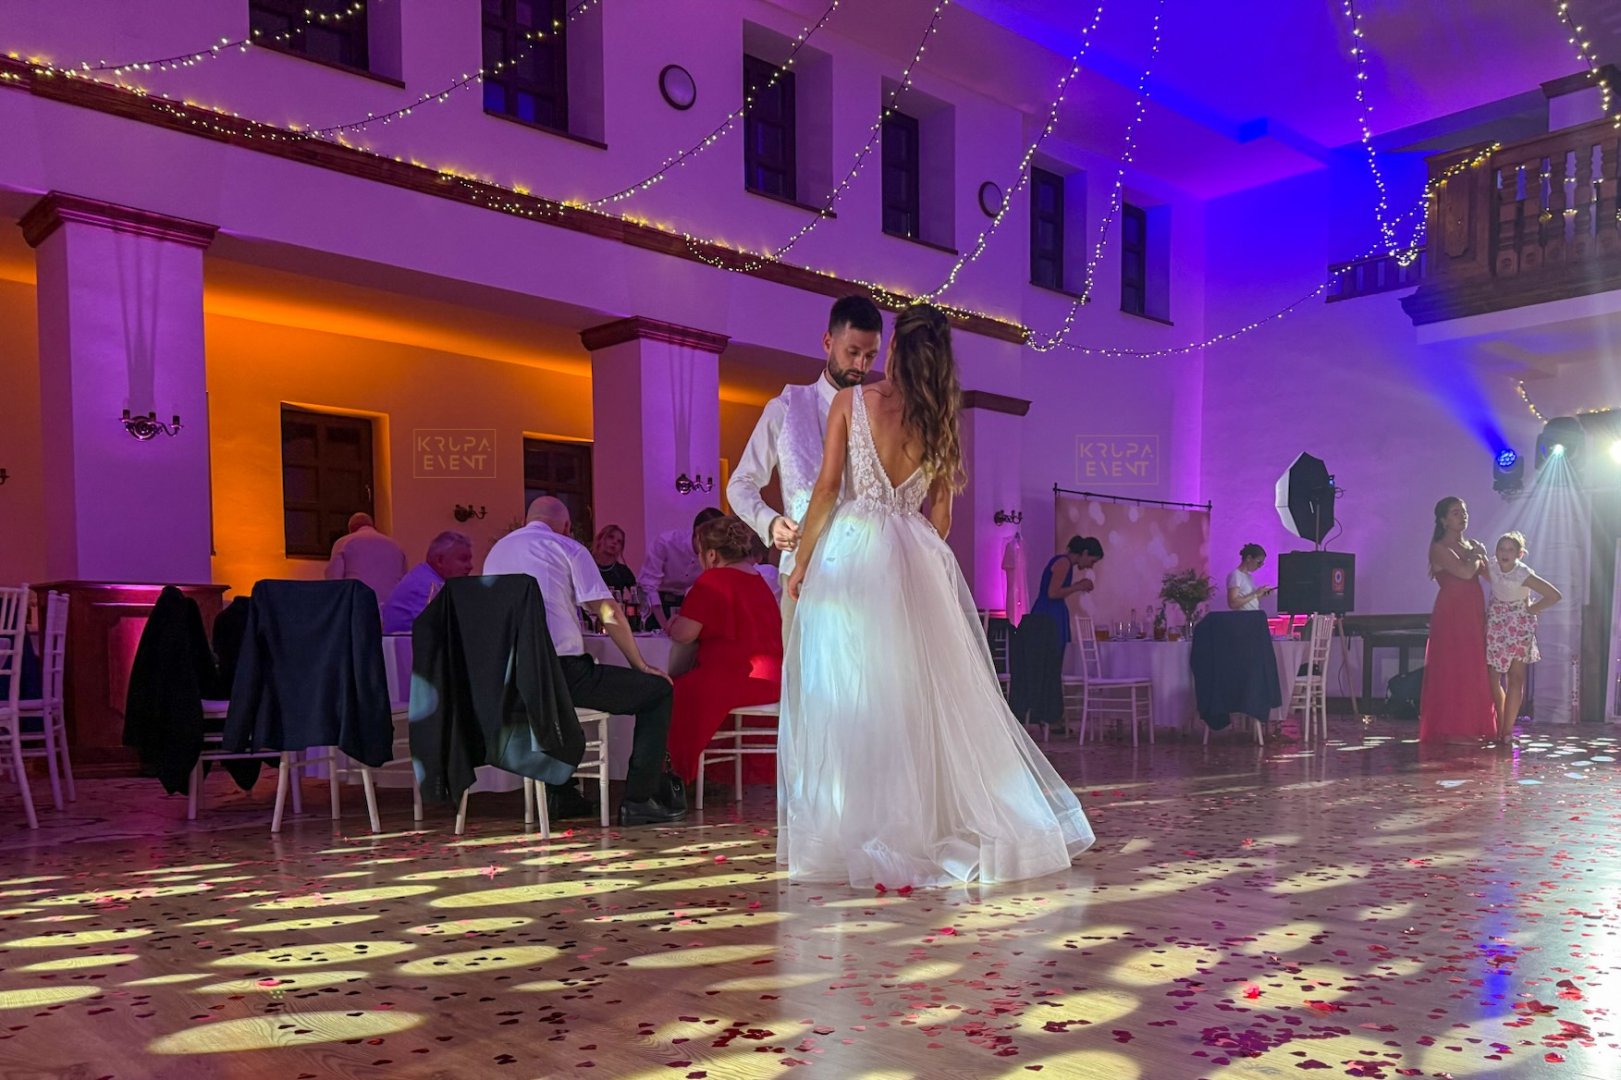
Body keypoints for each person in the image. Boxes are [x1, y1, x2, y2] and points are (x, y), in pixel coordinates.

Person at [780, 303, 1094, 887]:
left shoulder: (851, 402)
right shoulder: (941, 419)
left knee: (852, 693)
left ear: (894, 346)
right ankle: (923, 818)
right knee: (917, 693)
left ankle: (858, 824)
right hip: (914, 554)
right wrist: (912, 550)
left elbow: (826, 490)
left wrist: (802, 563)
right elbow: (942, 519)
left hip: (851, 556)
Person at [484, 496, 683, 825]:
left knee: (556, 702)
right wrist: (640, 664)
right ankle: (639, 800)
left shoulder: (496, 553)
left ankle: (561, 793)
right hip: (560, 672)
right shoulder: (567, 547)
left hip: (510, 680)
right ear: (566, 527)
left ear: (526, 520)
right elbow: (607, 611)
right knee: (658, 691)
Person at [728, 294, 884, 621]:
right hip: (802, 572)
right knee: (800, 656)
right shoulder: (786, 408)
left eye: (870, 356)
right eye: (852, 352)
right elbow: (740, 483)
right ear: (828, 342)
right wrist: (770, 522)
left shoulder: (877, 414)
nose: (861, 366)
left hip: (865, 574)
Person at [665, 516, 784, 784]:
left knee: (668, 692)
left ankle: (677, 774)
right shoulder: (758, 579)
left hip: (736, 679)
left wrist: (672, 624)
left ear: (711, 554)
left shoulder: (713, 580)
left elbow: (685, 634)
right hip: (773, 680)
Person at [1418, 496, 1497, 743]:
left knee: (1474, 665)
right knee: (1455, 667)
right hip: (1452, 613)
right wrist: (1475, 555)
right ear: (1443, 520)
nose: (1462, 516)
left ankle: (1475, 726)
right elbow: (1464, 572)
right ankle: (1453, 729)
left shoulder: (1471, 546)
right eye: (1455, 513)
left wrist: (1485, 557)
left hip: (1472, 611)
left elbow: (1489, 576)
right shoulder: (1439, 547)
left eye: (1464, 512)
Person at [1484, 531, 1561, 743]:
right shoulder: (1492, 565)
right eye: (1501, 549)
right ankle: (1501, 722)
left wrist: (1532, 609)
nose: (1505, 553)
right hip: (1498, 623)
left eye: (1510, 550)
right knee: (1493, 675)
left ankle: (1507, 731)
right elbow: (1485, 573)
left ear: (1519, 554)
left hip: (1518, 625)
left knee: (1515, 677)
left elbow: (1554, 595)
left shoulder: (1522, 573)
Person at [638, 507, 725, 627]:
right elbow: (648, 586)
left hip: (681, 604)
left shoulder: (714, 554)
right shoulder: (666, 543)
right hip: (655, 605)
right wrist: (664, 625)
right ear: (698, 531)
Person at [381, 531, 474, 633]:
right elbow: (440, 630)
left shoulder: (423, 576)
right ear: (440, 560)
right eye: (463, 559)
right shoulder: (428, 586)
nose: (470, 566)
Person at [324, 513, 408, 603]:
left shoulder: (343, 542)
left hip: (358, 602)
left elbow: (334, 581)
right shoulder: (397, 547)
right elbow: (404, 582)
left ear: (351, 529)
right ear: (373, 526)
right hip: (389, 605)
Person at [1227, 544, 1275, 611]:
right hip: (1243, 616)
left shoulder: (1249, 577)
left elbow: (1248, 602)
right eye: (1259, 562)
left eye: (1262, 564)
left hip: (1253, 613)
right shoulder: (1236, 575)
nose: (1260, 566)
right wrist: (1255, 594)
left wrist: (1259, 594)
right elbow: (1233, 603)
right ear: (1248, 558)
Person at [591, 524, 637, 591]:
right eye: (611, 537)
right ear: (600, 538)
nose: (615, 542)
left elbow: (638, 594)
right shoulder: (587, 564)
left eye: (619, 541)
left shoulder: (622, 571)